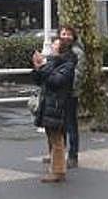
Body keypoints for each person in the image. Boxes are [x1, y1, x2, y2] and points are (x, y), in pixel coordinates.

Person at [31, 33, 77, 183]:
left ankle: (58, 171)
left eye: (55, 45)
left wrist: (43, 67)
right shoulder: (54, 62)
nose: (51, 48)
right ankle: (56, 167)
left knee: (57, 138)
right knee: (52, 136)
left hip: (57, 104)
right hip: (49, 103)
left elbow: (56, 81)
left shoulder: (67, 64)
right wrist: (38, 68)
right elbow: (40, 80)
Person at [58, 25, 84, 168]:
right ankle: (58, 154)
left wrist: (68, 86)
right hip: (58, 93)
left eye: (69, 34)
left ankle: (73, 156)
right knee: (58, 124)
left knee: (71, 124)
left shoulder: (77, 52)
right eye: (63, 33)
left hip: (70, 93)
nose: (66, 36)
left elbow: (79, 73)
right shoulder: (58, 50)